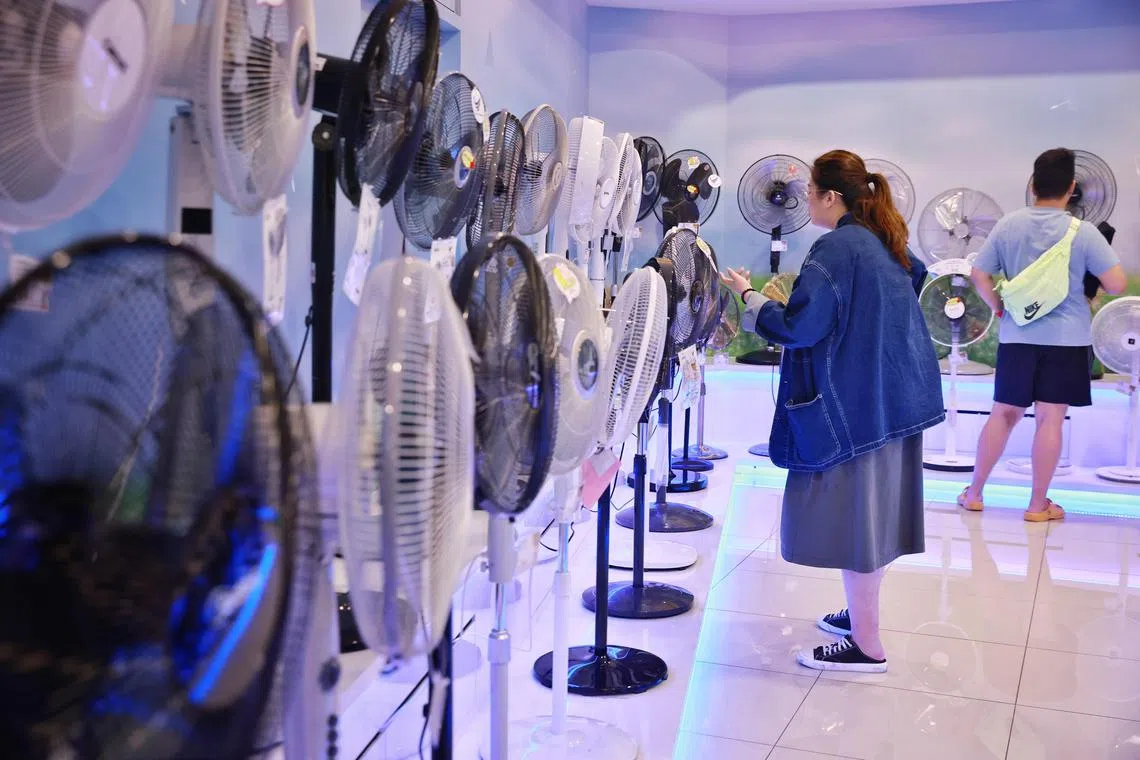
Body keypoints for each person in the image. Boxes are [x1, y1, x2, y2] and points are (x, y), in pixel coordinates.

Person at [721, 149, 944, 673]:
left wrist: (751, 298)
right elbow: (903, 284)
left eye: (810, 193)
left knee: (858, 526)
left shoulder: (836, 248)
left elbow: (800, 328)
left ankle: (867, 646)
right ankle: (859, 617)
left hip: (858, 408)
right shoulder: (886, 242)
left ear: (830, 196)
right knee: (878, 520)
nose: (804, 204)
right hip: (897, 402)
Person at [961, 148, 1126, 522]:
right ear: (1072, 188)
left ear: (1032, 185)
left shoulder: (1008, 226)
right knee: (1051, 418)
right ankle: (1037, 506)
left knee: (1003, 414)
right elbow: (1115, 283)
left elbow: (979, 274)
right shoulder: (1082, 232)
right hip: (1067, 339)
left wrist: (999, 307)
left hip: (1018, 336)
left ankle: (974, 493)